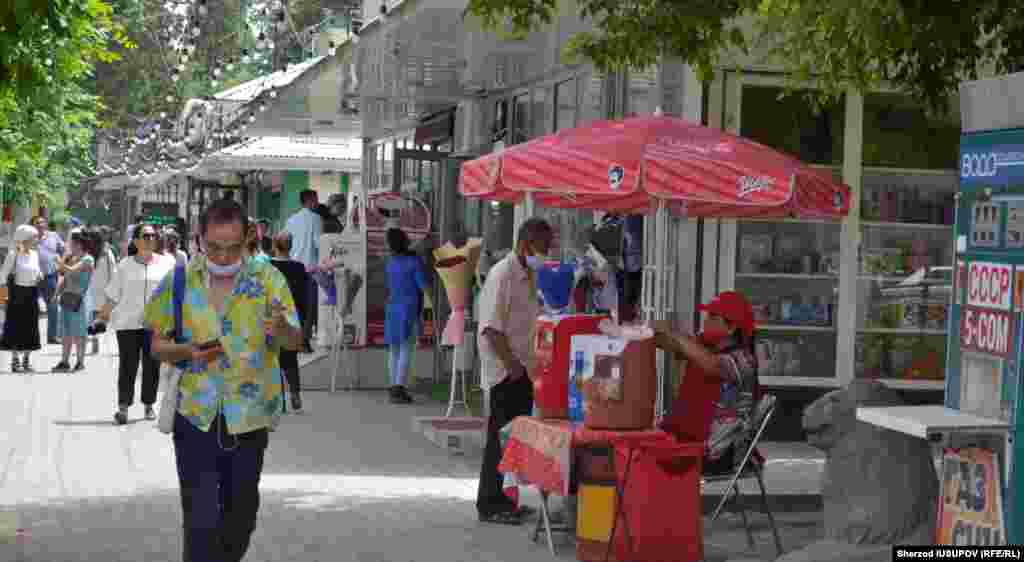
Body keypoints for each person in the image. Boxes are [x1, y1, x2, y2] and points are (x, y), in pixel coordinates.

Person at [145, 198, 302, 562]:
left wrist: (281, 329)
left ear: (247, 238)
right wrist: (188, 352)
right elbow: (156, 346)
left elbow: (294, 341)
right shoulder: (180, 279)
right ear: (199, 239)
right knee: (199, 520)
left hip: (249, 416)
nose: (224, 256)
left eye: (233, 247)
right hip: (195, 415)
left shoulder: (268, 279)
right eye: (214, 246)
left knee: (241, 516)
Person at [475, 217, 553, 525]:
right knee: (499, 439)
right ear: (525, 244)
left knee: (513, 441)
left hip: (522, 368)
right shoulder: (503, 275)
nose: (546, 253)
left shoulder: (528, 273)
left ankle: (506, 500)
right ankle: (490, 503)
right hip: (506, 371)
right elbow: (491, 330)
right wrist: (513, 367)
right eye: (543, 248)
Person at [653, 290, 760, 475]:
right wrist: (648, 331)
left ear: (731, 327)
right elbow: (677, 345)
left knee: (642, 456)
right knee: (639, 447)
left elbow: (712, 365)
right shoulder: (706, 345)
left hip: (720, 451)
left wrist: (674, 335)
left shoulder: (744, 360)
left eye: (712, 317)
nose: (705, 321)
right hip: (689, 440)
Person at [97, 224, 176, 424]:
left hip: (156, 325)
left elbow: (175, 295)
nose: (150, 239)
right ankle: (123, 407)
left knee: (152, 366)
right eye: (145, 235)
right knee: (127, 365)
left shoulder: (168, 263)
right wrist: (101, 317)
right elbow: (113, 295)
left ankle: (149, 404)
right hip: (128, 323)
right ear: (136, 241)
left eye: (153, 235)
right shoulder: (124, 265)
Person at [384, 228, 428, 404]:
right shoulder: (414, 262)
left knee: (394, 349)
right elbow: (424, 286)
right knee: (405, 348)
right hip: (408, 308)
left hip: (392, 307)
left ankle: (393, 386)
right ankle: (399, 388)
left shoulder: (391, 263)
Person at [269, 231, 309, 412]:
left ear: (274, 246)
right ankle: (295, 394)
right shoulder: (299, 268)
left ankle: (280, 400)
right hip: (293, 318)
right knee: (291, 358)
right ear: (291, 246)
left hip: (273, 317)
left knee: (274, 358)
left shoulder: (268, 267)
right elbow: (304, 298)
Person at [52, 230, 97, 372]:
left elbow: (71, 271)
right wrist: (56, 294)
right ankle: (64, 362)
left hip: (79, 300)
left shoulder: (88, 259)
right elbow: (65, 278)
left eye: (71, 242)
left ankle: (80, 362)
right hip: (67, 298)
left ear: (79, 244)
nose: (69, 244)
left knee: (79, 333)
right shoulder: (72, 257)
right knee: (66, 332)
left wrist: (59, 262)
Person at [1, 224, 44, 372]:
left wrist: (39, 275)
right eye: (34, 237)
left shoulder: (34, 254)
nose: (36, 240)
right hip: (16, 293)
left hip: (31, 292)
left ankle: (26, 359)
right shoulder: (13, 254)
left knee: (31, 326)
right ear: (24, 239)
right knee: (15, 326)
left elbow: (38, 271)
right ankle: (15, 360)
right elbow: (3, 275)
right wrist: (4, 295)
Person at [284, 190, 322, 348]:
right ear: (309, 200)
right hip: (309, 269)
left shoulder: (291, 220)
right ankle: (304, 340)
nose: (318, 202)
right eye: (316, 199)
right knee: (309, 306)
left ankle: (293, 338)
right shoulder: (316, 219)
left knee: (295, 305)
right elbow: (319, 244)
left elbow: (285, 241)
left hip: (292, 267)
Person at [33, 216, 64, 345]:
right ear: (33, 226)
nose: (40, 225)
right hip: (33, 278)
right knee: (33, 307)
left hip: (50, 275)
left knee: (53, 306)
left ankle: (52, 336)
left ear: (45, 224)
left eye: (42, 222)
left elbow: (63, 249)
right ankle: (32, 337)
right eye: (37, 223)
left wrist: (61, 263)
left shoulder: (53, 236)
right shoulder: (30, 238)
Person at [87, 227, 118, 355]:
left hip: (90, 287)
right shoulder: (107, 253)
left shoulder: (87, 253)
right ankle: (100, 337)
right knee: (103, 315)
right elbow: (113, 271)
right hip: (104, 287)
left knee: (93, 313)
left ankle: (94, 337)